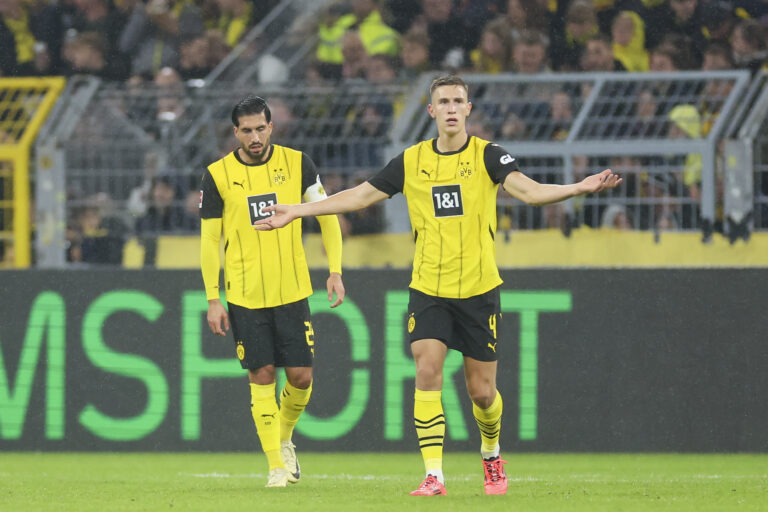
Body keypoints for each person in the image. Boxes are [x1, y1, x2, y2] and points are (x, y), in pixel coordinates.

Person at [254, 75, 622, 496]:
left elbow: (531, 193)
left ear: (468, 109)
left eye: (457, 101)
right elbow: (358, 197)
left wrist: (579, 187)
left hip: (479, 289)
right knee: (427, 369)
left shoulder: (489, 157)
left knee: (482, 394)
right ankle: (434, 475)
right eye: (442, 101)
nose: (450, 107)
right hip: (429, 288)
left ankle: (491, 453)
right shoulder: (411, 161)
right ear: (431, 111)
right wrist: (298, 211)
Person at [199, 95, 346, 488]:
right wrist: (213, 298)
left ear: (271, 128)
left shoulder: (298, 164)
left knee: (300, 377)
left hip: (292, 290)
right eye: (246, 130)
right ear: (236, 133)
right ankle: (275, 468)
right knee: (261, 375)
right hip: (245, 296)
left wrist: (335, 270)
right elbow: (209, 240)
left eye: (260, 128)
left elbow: (326, 213)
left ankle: (284, 439)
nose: (254, 136)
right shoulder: (217, 175)